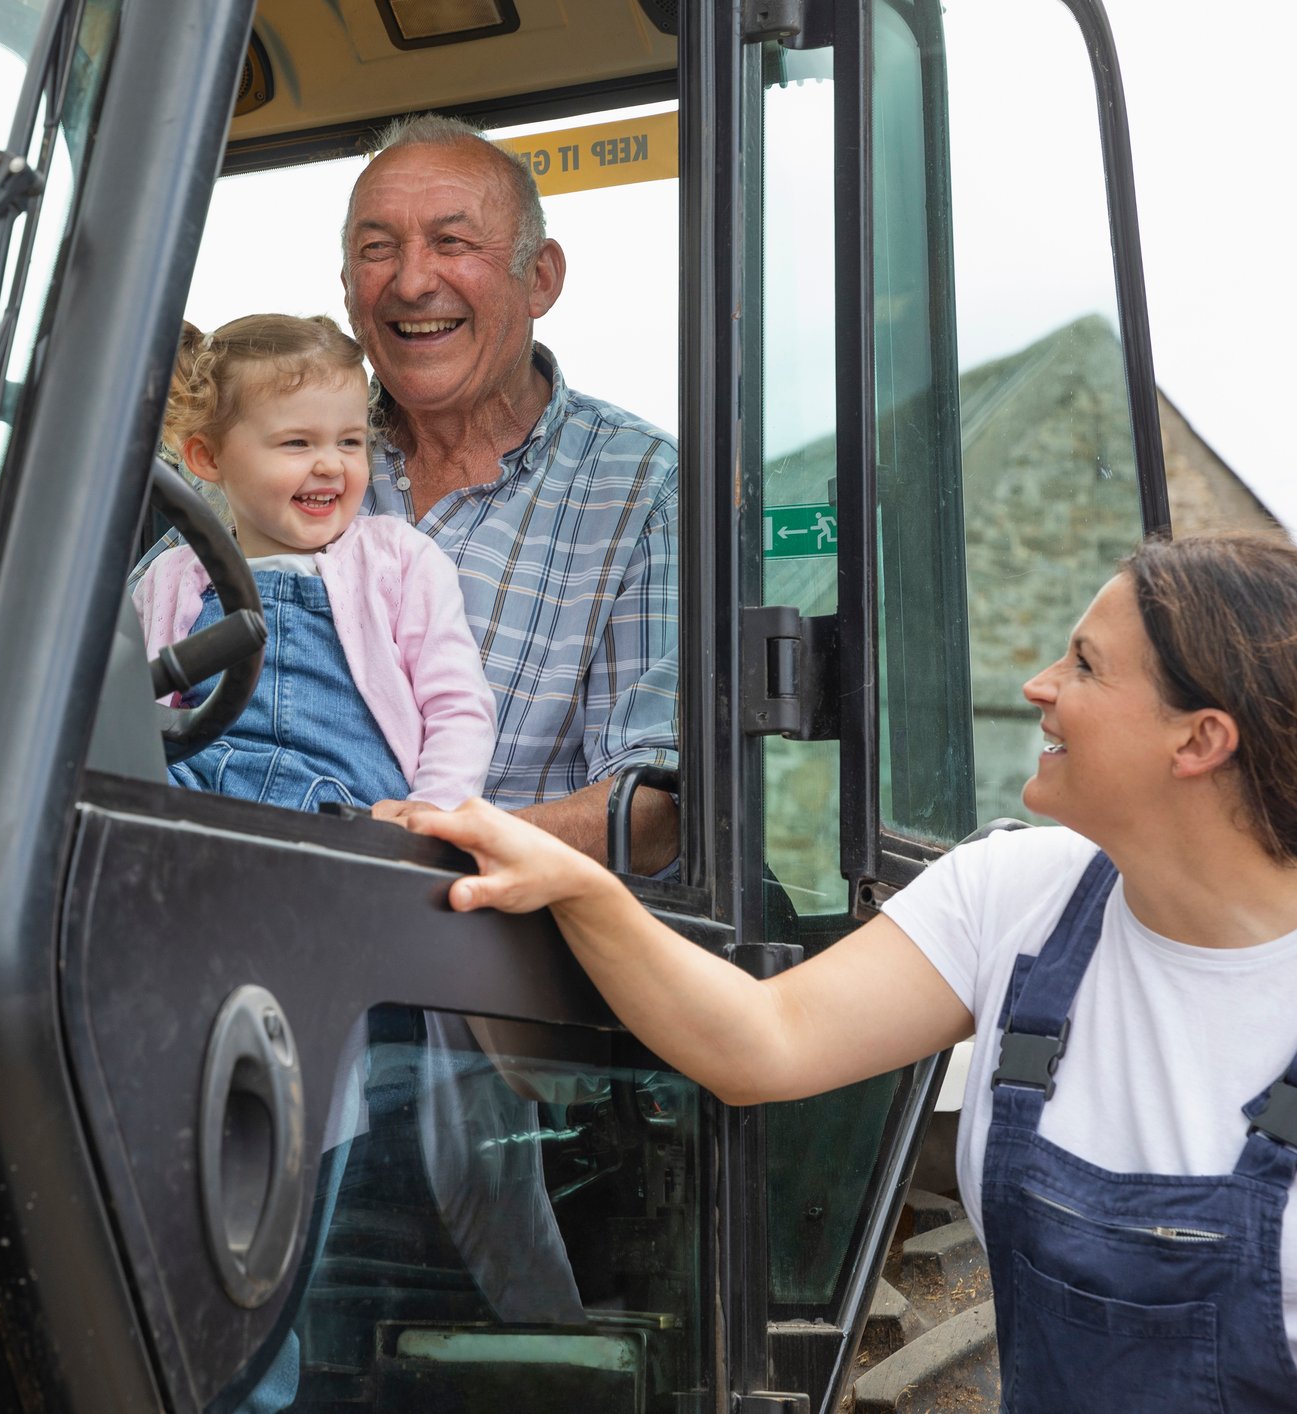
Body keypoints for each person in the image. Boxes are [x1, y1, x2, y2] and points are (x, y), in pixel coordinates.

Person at [405, 532, 1297, 1413]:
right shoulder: (1015, 895)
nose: (1039, 686)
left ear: (1199, 740)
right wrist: (582, 890)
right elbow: (766, 1041)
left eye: (1085, 667)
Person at [138, 112, 680, 858]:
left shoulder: (641, 487)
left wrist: (420, 848)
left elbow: (653, 812)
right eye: (376, 251)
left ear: (540, 278)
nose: (412, 281)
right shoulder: (265, 468)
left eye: (451, 243)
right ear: (347, 287)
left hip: (488, 937)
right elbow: (119, 688)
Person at [135, 314, 496, 810]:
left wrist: (433, 807)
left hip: (347, 805)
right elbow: (124, 696)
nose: (330, 464)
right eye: (297, 443)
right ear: (208, 458)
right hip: (196, 786)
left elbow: (457, 704)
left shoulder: (398, 559)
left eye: (350, 441)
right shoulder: (173, 577)